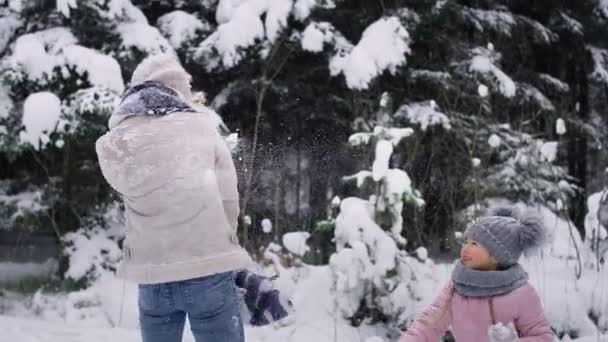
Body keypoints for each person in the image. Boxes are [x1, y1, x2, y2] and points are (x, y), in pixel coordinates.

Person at [96, 53, 254, 342]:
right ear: (179, 89)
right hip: (208, 269)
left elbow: (124, 185)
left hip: (152, 277)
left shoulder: (120, 139)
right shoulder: (202, 127)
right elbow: (228, 198)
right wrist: (224, 242)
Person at [400, 207, 554, 342]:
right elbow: (429, 324)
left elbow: (542, 337)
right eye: (466, 242)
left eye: (474, 244)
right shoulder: (457, 286)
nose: (465, 248)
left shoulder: (521, 293)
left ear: (497, 255)